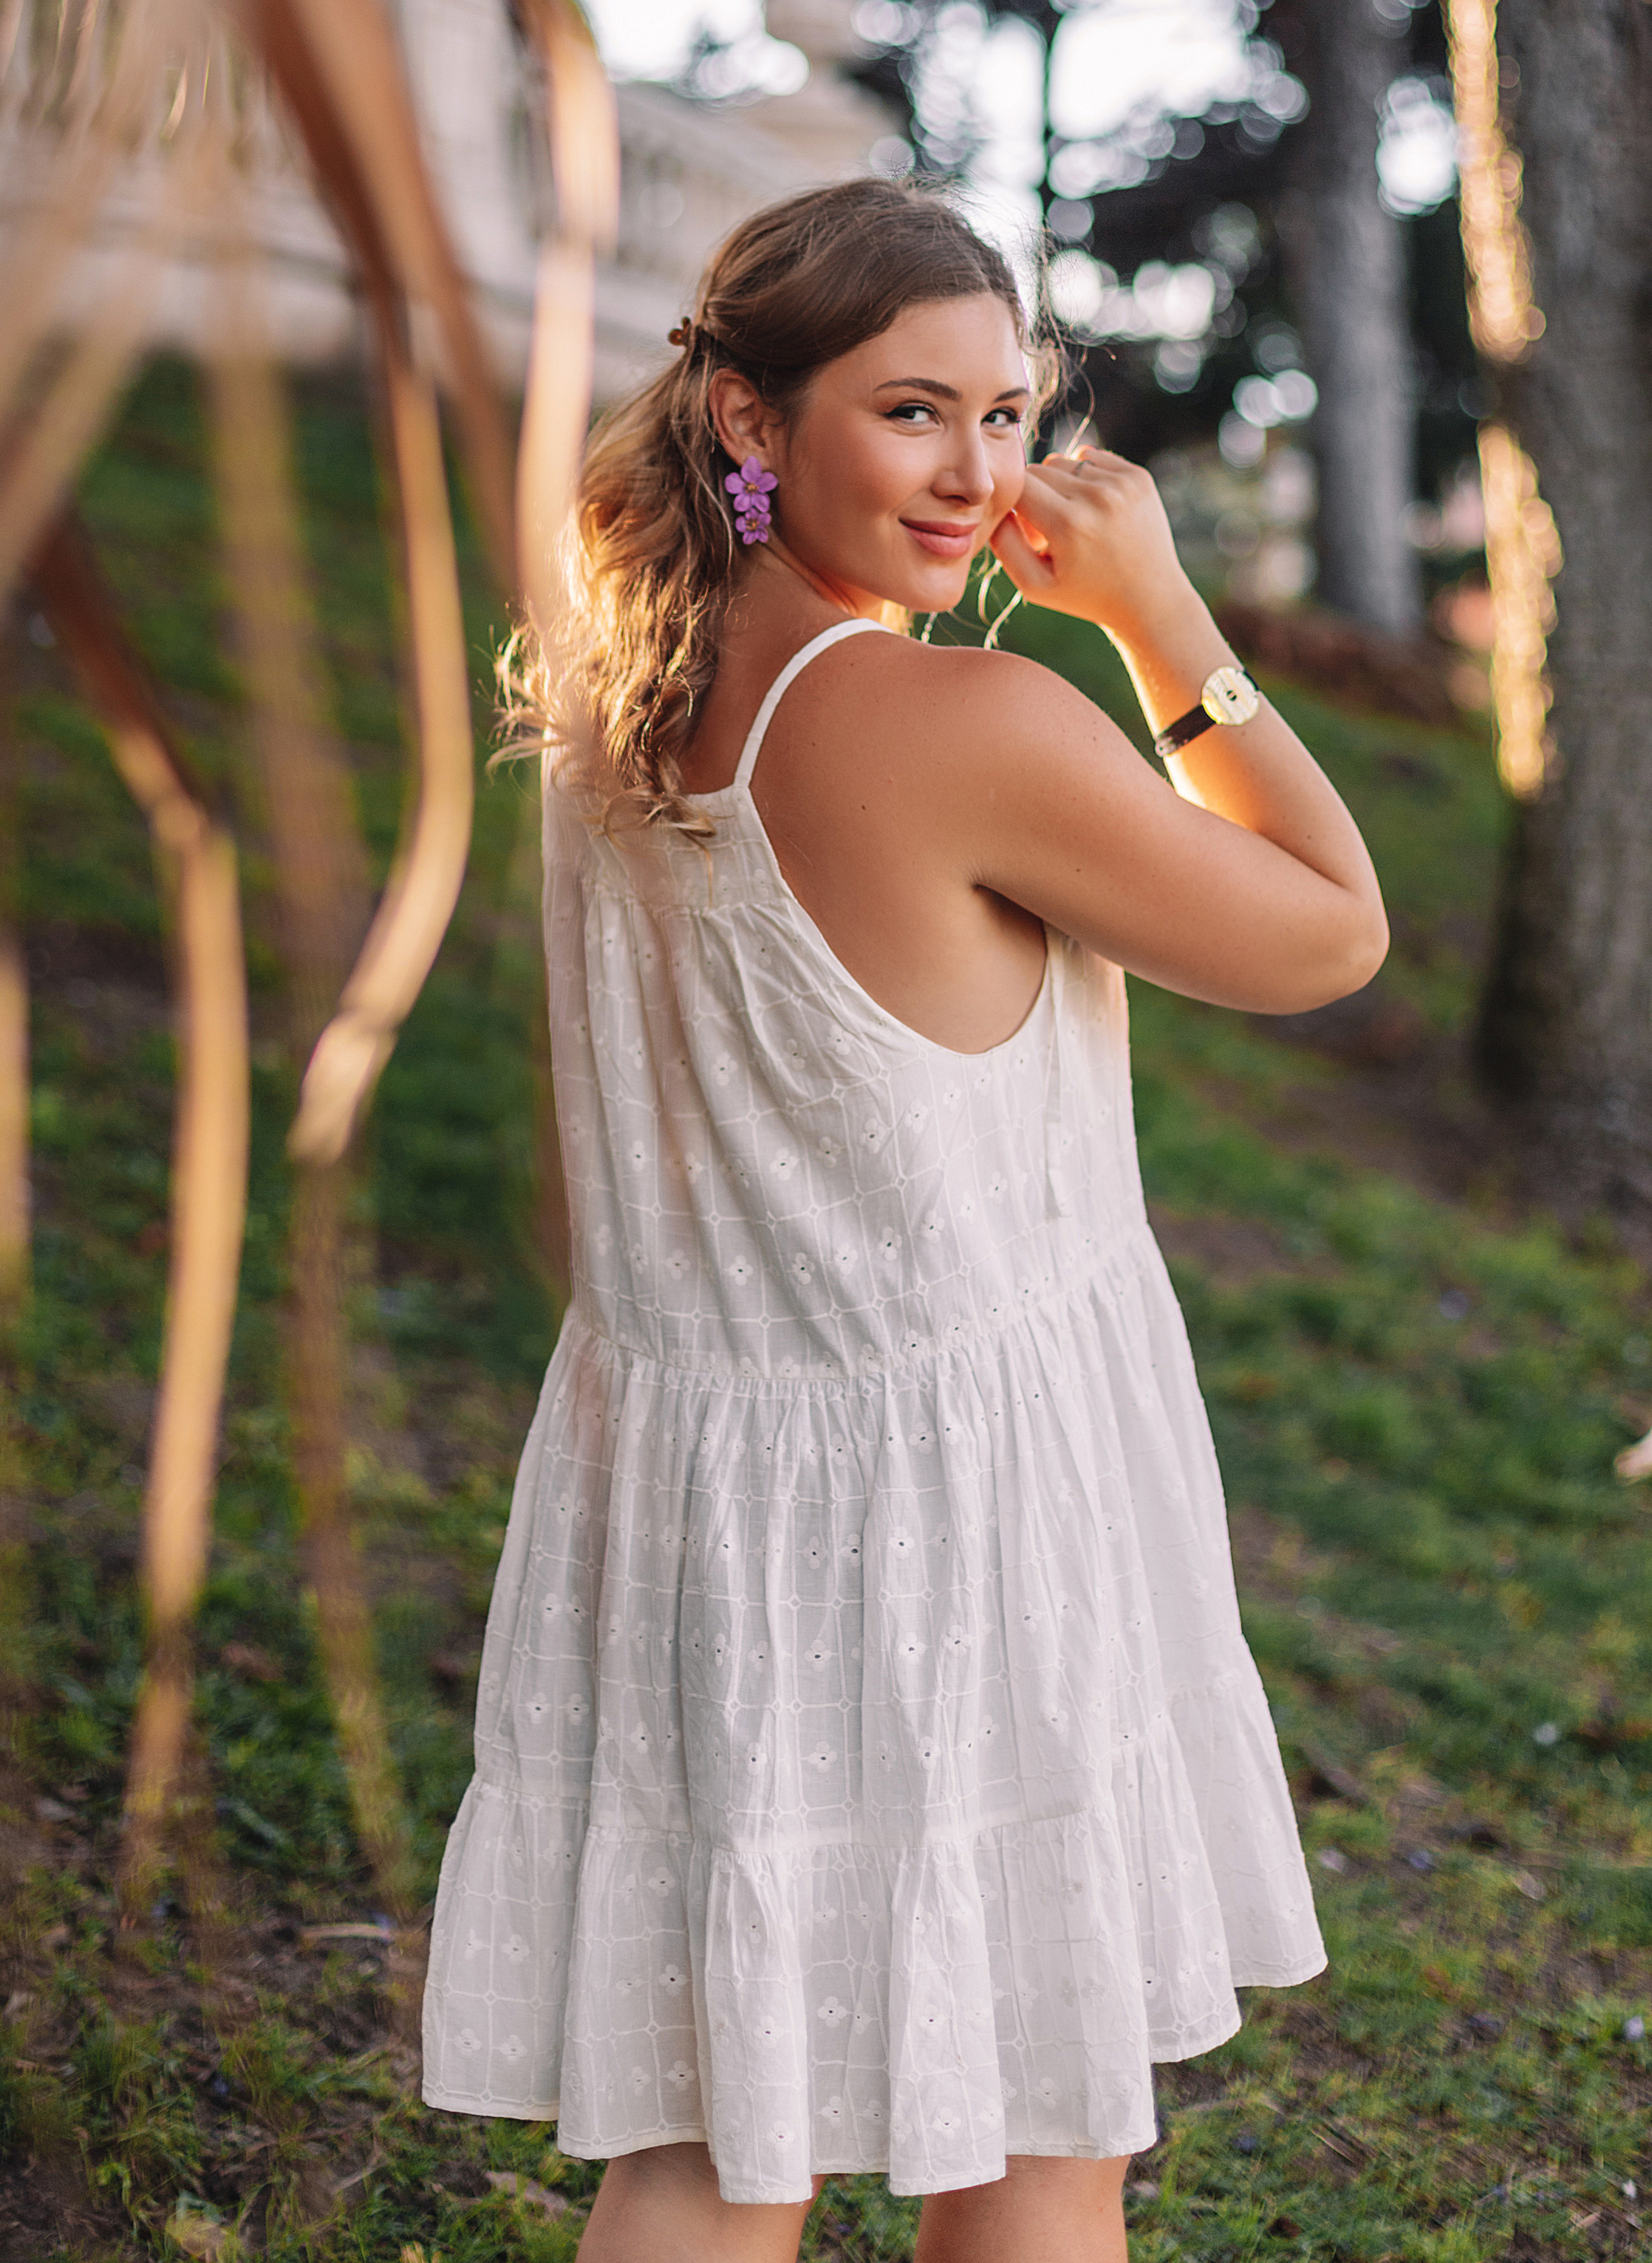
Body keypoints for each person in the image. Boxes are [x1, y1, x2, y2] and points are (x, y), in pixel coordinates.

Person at [422, 180, 1388, 2262]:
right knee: (1037, 2122)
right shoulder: (969, 721)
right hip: (968, 1494)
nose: (983, 476)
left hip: (692, 1478)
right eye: (915, 414)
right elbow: (1332, 933)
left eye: (1011, 413)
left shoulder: (617, 719)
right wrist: (1168, 630)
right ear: (757, 431)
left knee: (703, 2140)